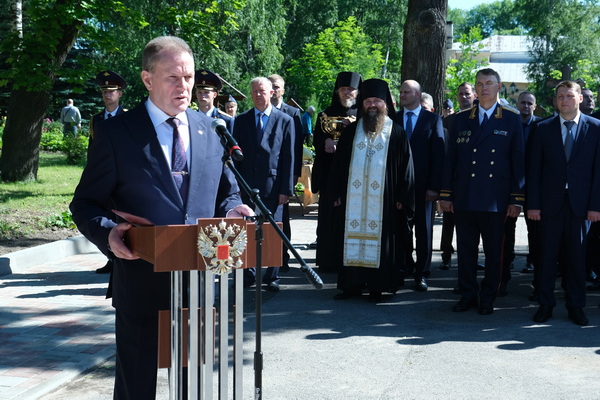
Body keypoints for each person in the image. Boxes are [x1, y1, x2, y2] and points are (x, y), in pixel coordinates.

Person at [69, 36, 252, 398]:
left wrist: (233, 209)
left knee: (193, 387)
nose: (184, 86)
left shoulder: (210, 130)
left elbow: (225, 192)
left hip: (197, 282)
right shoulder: (116, 133)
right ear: (148, 80)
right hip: (140, 278)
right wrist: (108, 234)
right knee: (136, 385)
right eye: (172, 77)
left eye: (188, 77)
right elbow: (85, 203)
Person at [440, 68, 525, 316]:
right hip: (465, 197)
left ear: (499, 87)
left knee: (494, 254)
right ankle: (467, 294)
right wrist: (446, 195)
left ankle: (488, 297)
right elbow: (451, 160)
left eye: (489, 83)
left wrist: (516, 199)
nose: (483, 88)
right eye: (479, 84)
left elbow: (518, 161)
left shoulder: (511, 118)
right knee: (465, 251)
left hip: (496, 200)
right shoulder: (462, 118)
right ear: (475, 89)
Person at [330, 78, 414, 302]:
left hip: (385, 202)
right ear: (362, 104)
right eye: (368, 101)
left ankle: (379, 286)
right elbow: (338, 166)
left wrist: (402, 197)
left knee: (382, 242)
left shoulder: (396, 133)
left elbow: (407, 168)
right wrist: (336, 193)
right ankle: (351, 285)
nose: (372, 105)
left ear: (385, 103)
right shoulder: (350, 133)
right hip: (352, 202)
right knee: (351, 239)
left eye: (377, 100)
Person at [527, 80, 600, 326]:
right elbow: (534, 170)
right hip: (549, 206)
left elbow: (598, 171)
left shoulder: (596, 128)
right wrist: (533, 205)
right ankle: (545, 304)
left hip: (581, 206)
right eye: (560, 96)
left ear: (580, 98)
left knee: (578, 259)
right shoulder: (542, 128)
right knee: (547, 257)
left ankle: (576, 306)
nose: (564, 100)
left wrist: (595, 206)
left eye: (569, 96)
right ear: (555, 100)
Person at [233, 77, 295, 292]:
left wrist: (286, 190)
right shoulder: (241, 121)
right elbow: (234, 157)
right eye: (255, 92)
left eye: (262, 91)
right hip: (246, 186)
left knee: (272, 232)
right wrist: (235, 187)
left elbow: (288, 157)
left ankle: (271, 276)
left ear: (271, 93)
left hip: (273, 186)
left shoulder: (285, 121)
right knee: (247, 231)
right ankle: (248, 274)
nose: (258, 95)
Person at [397, 80, 445, 292]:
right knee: (401, 229)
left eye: (406, 92)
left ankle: (422, 273)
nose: (402, 95)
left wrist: (435, 187)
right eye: (401, 92)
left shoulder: (433, 120)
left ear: (418, 95)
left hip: (424, 187)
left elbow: (439, 155)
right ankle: (404, 266)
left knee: (423, 231)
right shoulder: (394, 119)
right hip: (399, 187)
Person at [312, 71, 361, 272]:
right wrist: (325, 141)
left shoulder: (365, 113)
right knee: (329, 217)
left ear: (357, 92)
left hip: (356, 174)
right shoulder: (325, 114)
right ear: (337, 91)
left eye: (350, 89)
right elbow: (316, 139)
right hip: (330, 173)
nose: (347, 93)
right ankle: (328, 260)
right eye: (343, 89)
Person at [89, 70, 128, 274]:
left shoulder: (128, 117)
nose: (107, 95)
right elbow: (92, 150)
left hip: (122, 175)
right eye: (104, 91)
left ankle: (120, 255)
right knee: (102, 213)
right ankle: (110, 256)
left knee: (119, 214)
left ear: (120, 93)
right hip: (102, 176)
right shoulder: (96, 120)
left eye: (111, 91)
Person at [439, 82, 477, 270]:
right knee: (448, 222)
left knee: (471, 225)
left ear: (474, 95)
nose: (464, 97)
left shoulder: (480, 118)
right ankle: (446, 254)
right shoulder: (448, 121)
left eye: (467, 94)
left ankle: (472, 258)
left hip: (472, 181)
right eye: (461, 94)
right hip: (452, 178)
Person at [268, 74, 303, 273]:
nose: (273, 90)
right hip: (265, 177)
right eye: (270, 86)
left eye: (277, 87)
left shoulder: (293, 113)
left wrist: (294, 176)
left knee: (283, 219)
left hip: (285, 176)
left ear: (282, 90)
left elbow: (296, 148)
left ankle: (283, 257)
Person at [515, 91, 541, 275]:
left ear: (535, 105)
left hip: (534, 182)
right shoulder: (510, 123)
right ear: (517, 104)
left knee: (535, 228)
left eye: (529, 103)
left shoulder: (542, 125)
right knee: (507, 225)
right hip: (513, 181)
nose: (525, 106)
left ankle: (532, 260)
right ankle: (506, 260)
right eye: (522, 102)